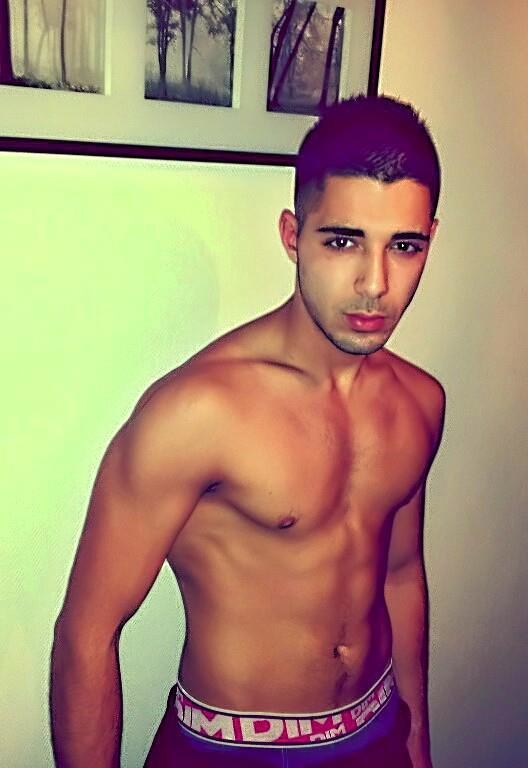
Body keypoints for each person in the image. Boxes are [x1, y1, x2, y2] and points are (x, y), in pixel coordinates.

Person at [50, 94, 445, 768]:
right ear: (293, 236)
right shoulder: (197, 414)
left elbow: (402, 576)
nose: (375, 284)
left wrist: (415, 745)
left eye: (403, 246)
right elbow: (87, 632)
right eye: (343, 240)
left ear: (429, 239)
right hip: (228, 750)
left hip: (377, 733)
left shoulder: (420, 402)